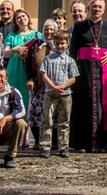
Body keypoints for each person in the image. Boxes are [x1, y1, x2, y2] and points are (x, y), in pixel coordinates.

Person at [68, 0, 107, 152]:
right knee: (85, 103)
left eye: (99, 7)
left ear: (103, 9)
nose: (97, 9)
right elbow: (73, 50)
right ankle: (82, 144)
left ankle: (105, 143)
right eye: (94, 6)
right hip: (84, 70)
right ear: (89, 9)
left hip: (103, 69)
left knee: (103, 104)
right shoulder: (80, 26)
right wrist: (73, 70)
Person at [40, 30, 79, 158]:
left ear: (67, 43)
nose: (60, 46)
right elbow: (44, 74)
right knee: (47, 119)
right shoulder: (48, 59)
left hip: (65, 93)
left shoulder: (70, 60)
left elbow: (73, 78)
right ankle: (45, 146)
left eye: (62, 43)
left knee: (64, 121)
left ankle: (64, 146)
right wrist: (53, 87)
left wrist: (62, 87)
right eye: (57, 44)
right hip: (50, 93)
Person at [25, 19, 58, 150]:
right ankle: (39, 141)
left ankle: (53, 141)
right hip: (38, 86)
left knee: (53, 115)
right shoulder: (36, 44)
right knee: (35, 114)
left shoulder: (58, 45)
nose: (49, 32)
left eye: (51, 29)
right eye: (46, 29)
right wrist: (30, 79)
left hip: (53, 87)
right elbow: (28, 62)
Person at [4, 9, 41, 112]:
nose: (22, 19)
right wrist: (14, 50)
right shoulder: (11, 36)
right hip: (15, 70)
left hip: (30, 71)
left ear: (28, 18)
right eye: (18, 18)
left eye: (24, 16)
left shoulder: (37, 35)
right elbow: (5, 54)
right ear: (15, 22)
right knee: (14, 98)